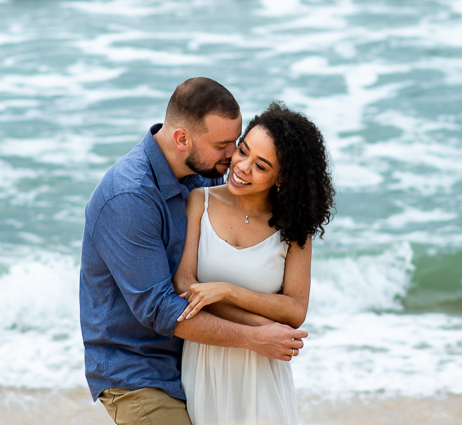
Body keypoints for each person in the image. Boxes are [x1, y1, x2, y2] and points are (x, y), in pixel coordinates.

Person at [81, 79, 309, 425]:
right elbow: (160, 308)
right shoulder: (128, 197)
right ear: (182, 139)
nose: (233, 157)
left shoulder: (205, 176)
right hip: (138, 369)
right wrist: (256, 334)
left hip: (194, 358)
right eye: (224, 145)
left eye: (237, 143)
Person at [174, 102, 335, 425]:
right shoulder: (200, 202)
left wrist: (227, 291)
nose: (242, 166)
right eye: (243, 150)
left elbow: (294, 310)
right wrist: (260, 328)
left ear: (281, 179)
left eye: (261, 166)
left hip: (263, 372)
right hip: (206, 364)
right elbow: (184, 286)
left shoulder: (294, 228)